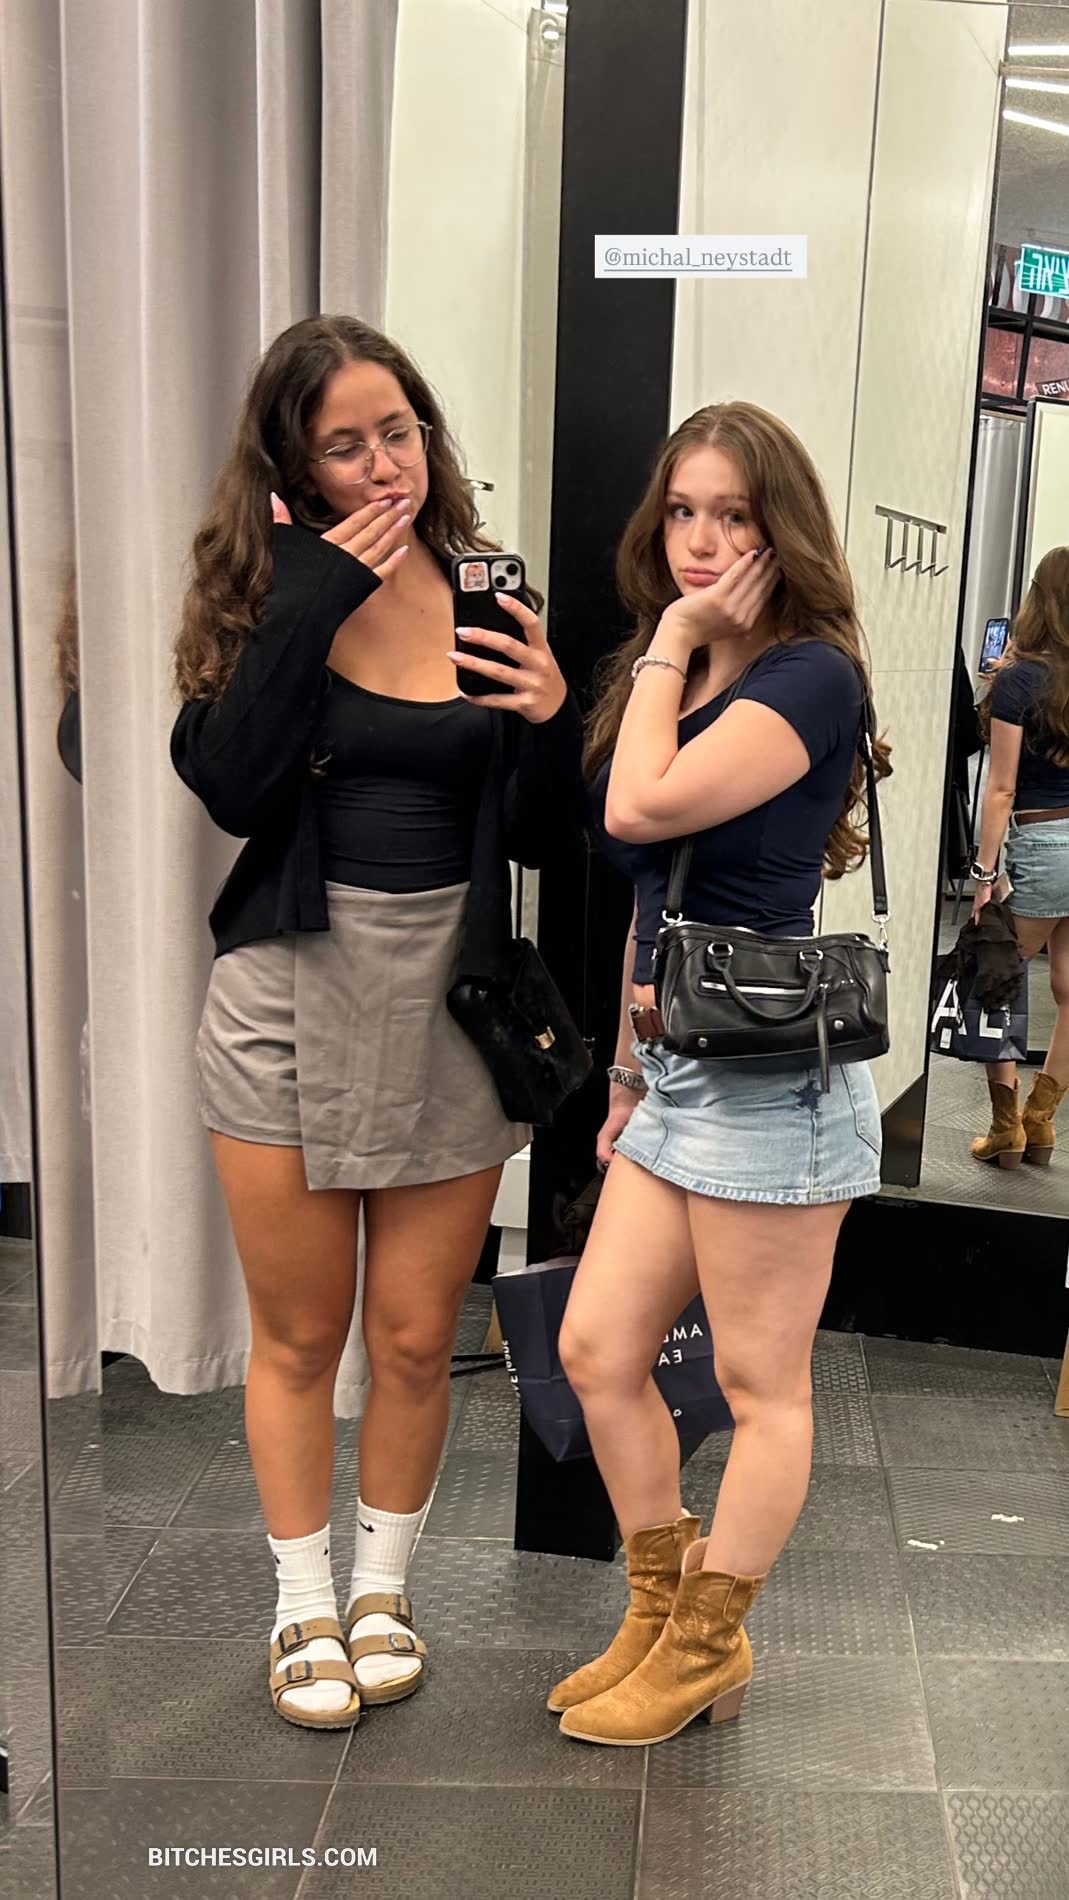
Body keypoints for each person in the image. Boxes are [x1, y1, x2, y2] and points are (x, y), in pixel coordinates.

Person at [170, 314, 581, 1730]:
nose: (382, 463)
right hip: (285, 988)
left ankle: (383, 1591)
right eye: (343, 445)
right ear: (294, 467)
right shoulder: (260, 593)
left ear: (427, 432)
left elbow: (542, 837)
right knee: (299, 1334)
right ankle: (301, 1602)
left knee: (412, 1336)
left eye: (396, 430)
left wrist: (548, 716)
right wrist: (311, 598)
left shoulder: (481, 588)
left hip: (448, 995)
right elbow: (231, 785)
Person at [539, 399, 889, 1749]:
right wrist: (628, 1077)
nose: (700, 540)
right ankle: (656, 1612)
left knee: (759, 1386)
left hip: (772, 1084)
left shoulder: (809, 677)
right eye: (681, 510)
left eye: (732, 515)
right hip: (680, 1070)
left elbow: (640, 807)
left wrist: (671, 646)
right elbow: (654, 891)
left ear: (777, 529)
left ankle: (705, 1644)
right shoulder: (679, 665)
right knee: (595, 1348)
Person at [969, 546, 1069, 1168]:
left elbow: (1001, 789)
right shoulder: (1024, 677)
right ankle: (1042, 1120)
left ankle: (1007, 1127)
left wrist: (984, 874)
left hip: (1045, 842)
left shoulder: (1020, 680)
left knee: (996, 977)